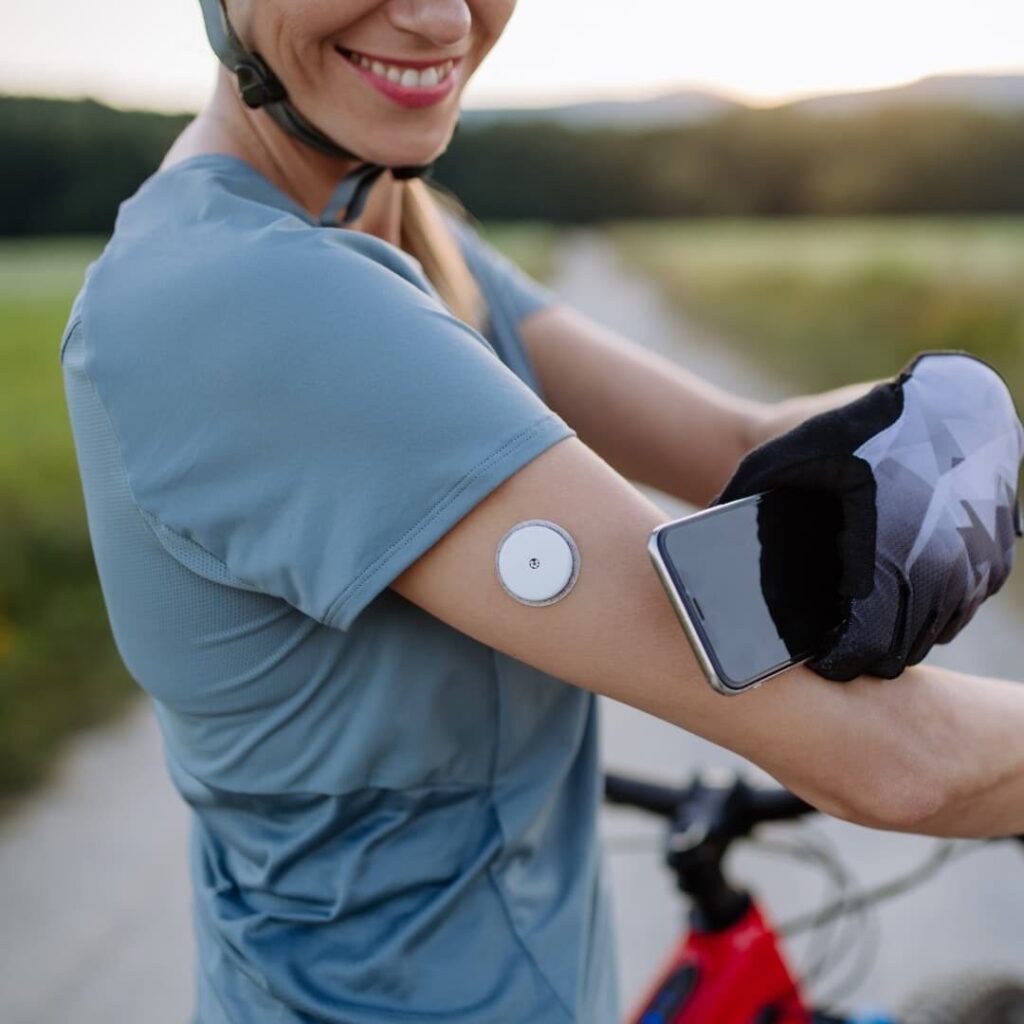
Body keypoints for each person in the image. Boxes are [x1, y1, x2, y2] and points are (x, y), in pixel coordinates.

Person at [57, 2, 1024, 1022]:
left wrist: (965, 420)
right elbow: (888, 758)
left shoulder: (392, 225)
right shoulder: (252, 299)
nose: (441, 16)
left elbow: (733, 441)